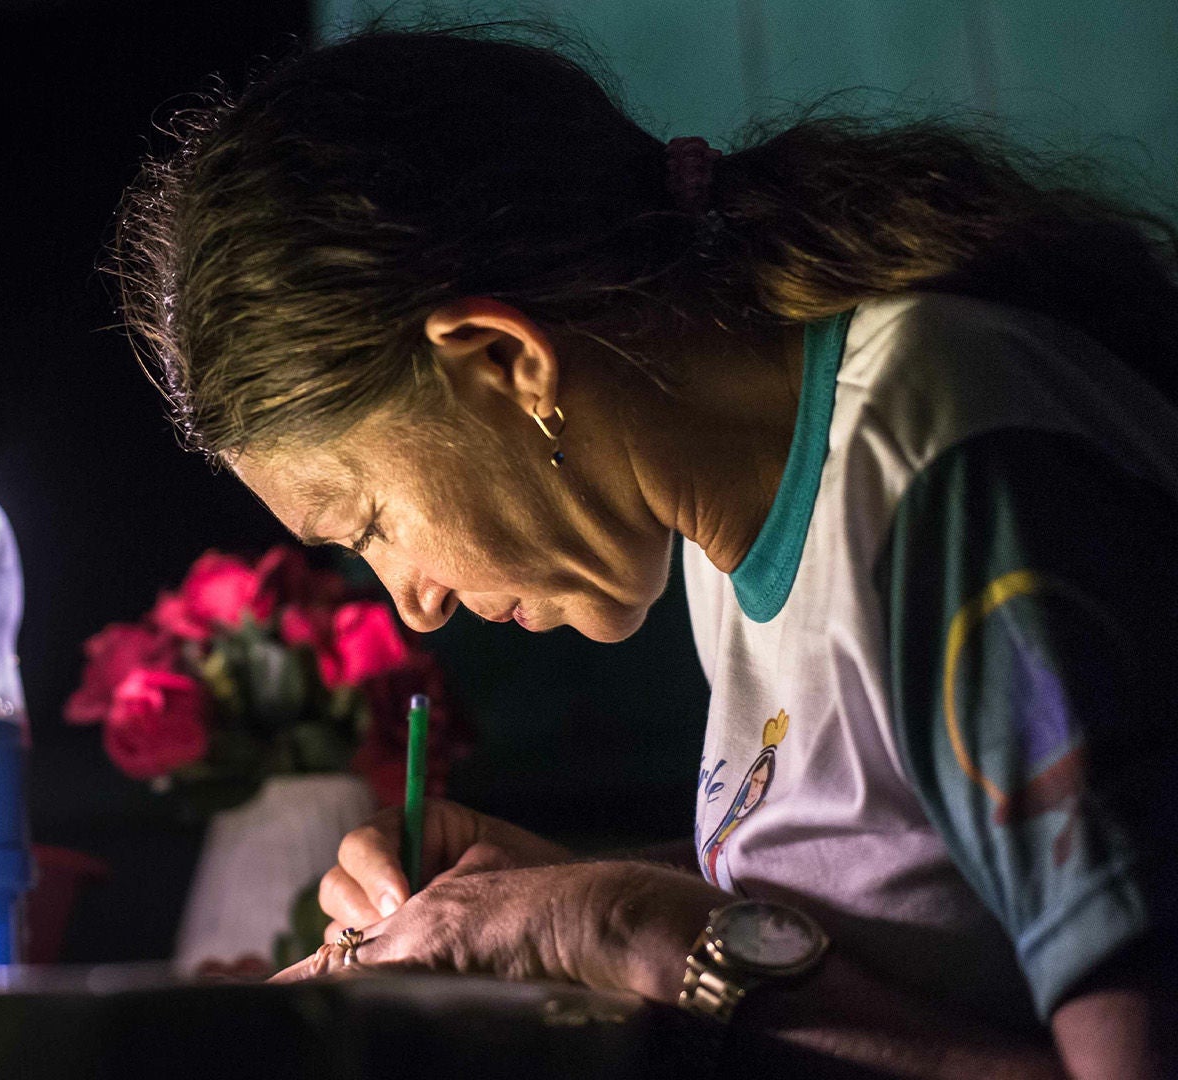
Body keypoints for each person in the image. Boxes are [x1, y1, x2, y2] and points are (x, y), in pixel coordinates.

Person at [110, 26, 1178, 1079]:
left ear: (503, 361)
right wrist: (538, 894)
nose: (415, 604)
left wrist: (621, 929)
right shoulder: (729, 524)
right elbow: (909, 906)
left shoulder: (951, 475)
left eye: (373, 525)